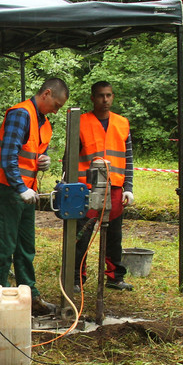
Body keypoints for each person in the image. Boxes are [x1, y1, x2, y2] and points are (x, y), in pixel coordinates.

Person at [0, 78, 69, 317]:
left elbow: (30, 153)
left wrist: (43, 161)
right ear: (47, 93)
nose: (56, 110)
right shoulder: (21, 114)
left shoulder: (43, 121)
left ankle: (30, 296)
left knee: (25, 247)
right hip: (8, 189)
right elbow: (8, 155)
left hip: (25, 191)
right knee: (5, 248)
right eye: (56, 104)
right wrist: (20, 187)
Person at [75, 80, 135, 291]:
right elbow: (70, 157)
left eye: (108, 95)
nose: (105, 99)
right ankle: (76, 278)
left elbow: (128, 157)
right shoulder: (80, 122)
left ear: (113, 96)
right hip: (87, 187)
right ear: (93, 98)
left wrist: (129, 187)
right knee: (82, 234)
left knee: (114, 236)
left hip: (116, 186)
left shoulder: (122, 123)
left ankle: (114, 277)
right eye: (101, 95)